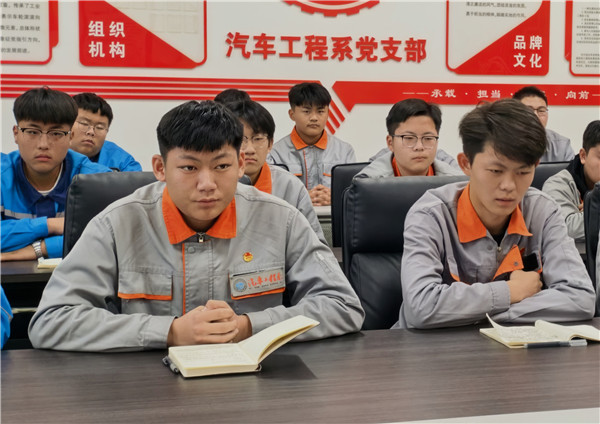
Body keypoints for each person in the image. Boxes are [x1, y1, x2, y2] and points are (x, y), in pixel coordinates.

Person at [28, 100, 364, 351]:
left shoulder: (281, 219)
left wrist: (249, 326)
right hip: (146, 391)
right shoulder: (117, 223)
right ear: (160, 168)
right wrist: (170, 332)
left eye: (221, 166)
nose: (207, 184)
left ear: (240, 164)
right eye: (189, 168)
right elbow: (51, 320)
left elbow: (343, 305)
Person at [395, 99, 595, 329]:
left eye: (523, 172)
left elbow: (580, 298)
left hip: (510, 347)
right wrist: (510, 291)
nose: (509, 186)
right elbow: (420, 307)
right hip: (427, 349)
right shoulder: (431, 215)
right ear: (466, 163)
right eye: (495, 171)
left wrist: (487, 315)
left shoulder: (542, 211)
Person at [1, 87, 111, 261]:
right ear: (16, 134)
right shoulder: (2, 174)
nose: (43, 144)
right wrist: (50, 225)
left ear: (70, 137)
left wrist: (41, 248)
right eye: (32, 132)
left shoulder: (97, 180)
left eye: (56, 133)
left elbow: (109, 237)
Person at [226, 99, 327, 244]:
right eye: (241, 140)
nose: (249, 149)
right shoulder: (212, 186)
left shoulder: (291, 188)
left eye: (258, 139)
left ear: (270, 144)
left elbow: (315, 245)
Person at [268, 82, 356, 206]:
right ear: (292, 114)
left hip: (333, 217)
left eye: (320, 111)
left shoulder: (344, 151)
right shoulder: (275, 153)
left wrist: (335, 197)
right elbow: (270, 195)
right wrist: (301, 198)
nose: (314, 118)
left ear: (328, 113)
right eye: (307, 111)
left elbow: (354, 194)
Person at [357, 99, 463, 179]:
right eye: (409, 138)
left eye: (428, 138)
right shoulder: (368, 183)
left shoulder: (455, 182)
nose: (419, 147)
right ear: (390, 143)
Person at [543, 120, 600, 244]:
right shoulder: (556, 184)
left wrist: (590, 212)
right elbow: (568, 228)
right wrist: (594, 209)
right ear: (583, 156)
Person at [71, 93, 142, 172]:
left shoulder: (123, 162)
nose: (91, 132)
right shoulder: (58, 155)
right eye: (84, 123)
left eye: (99, 127)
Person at [513, 86, 575, 162]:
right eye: (529, 110)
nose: (536, 115)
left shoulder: (561, 146)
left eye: (541, 110)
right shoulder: (502, 143)